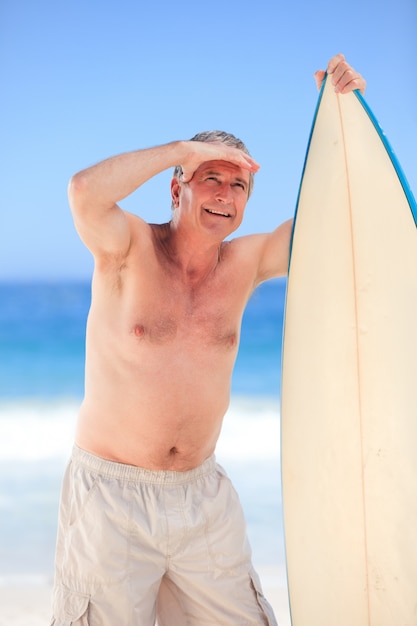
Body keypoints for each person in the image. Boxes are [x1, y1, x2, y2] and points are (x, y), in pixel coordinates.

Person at [51, 54, 366, 625]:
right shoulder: (128, 247)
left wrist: (341, 116)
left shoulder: (245, 263)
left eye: (237, 184)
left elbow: (339, 218)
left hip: (202, 496)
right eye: (210, 178)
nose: (224, 193)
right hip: (111, 500)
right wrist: (179, 150)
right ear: (179, 188)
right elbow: (83, 192)